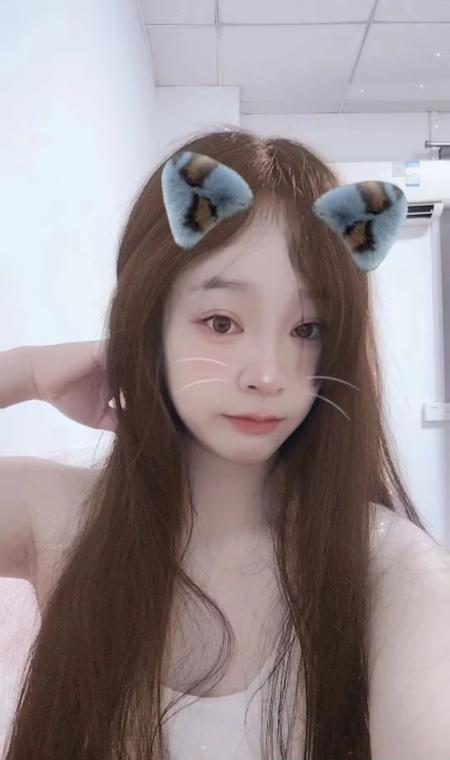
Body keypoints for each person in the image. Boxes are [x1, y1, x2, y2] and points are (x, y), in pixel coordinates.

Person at [1, 127, 439, 759]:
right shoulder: (59, 513)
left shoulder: (385, 565)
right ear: (149, 322)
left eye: (307, 329)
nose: (268, 374)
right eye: (221, 322)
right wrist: (25, 371)